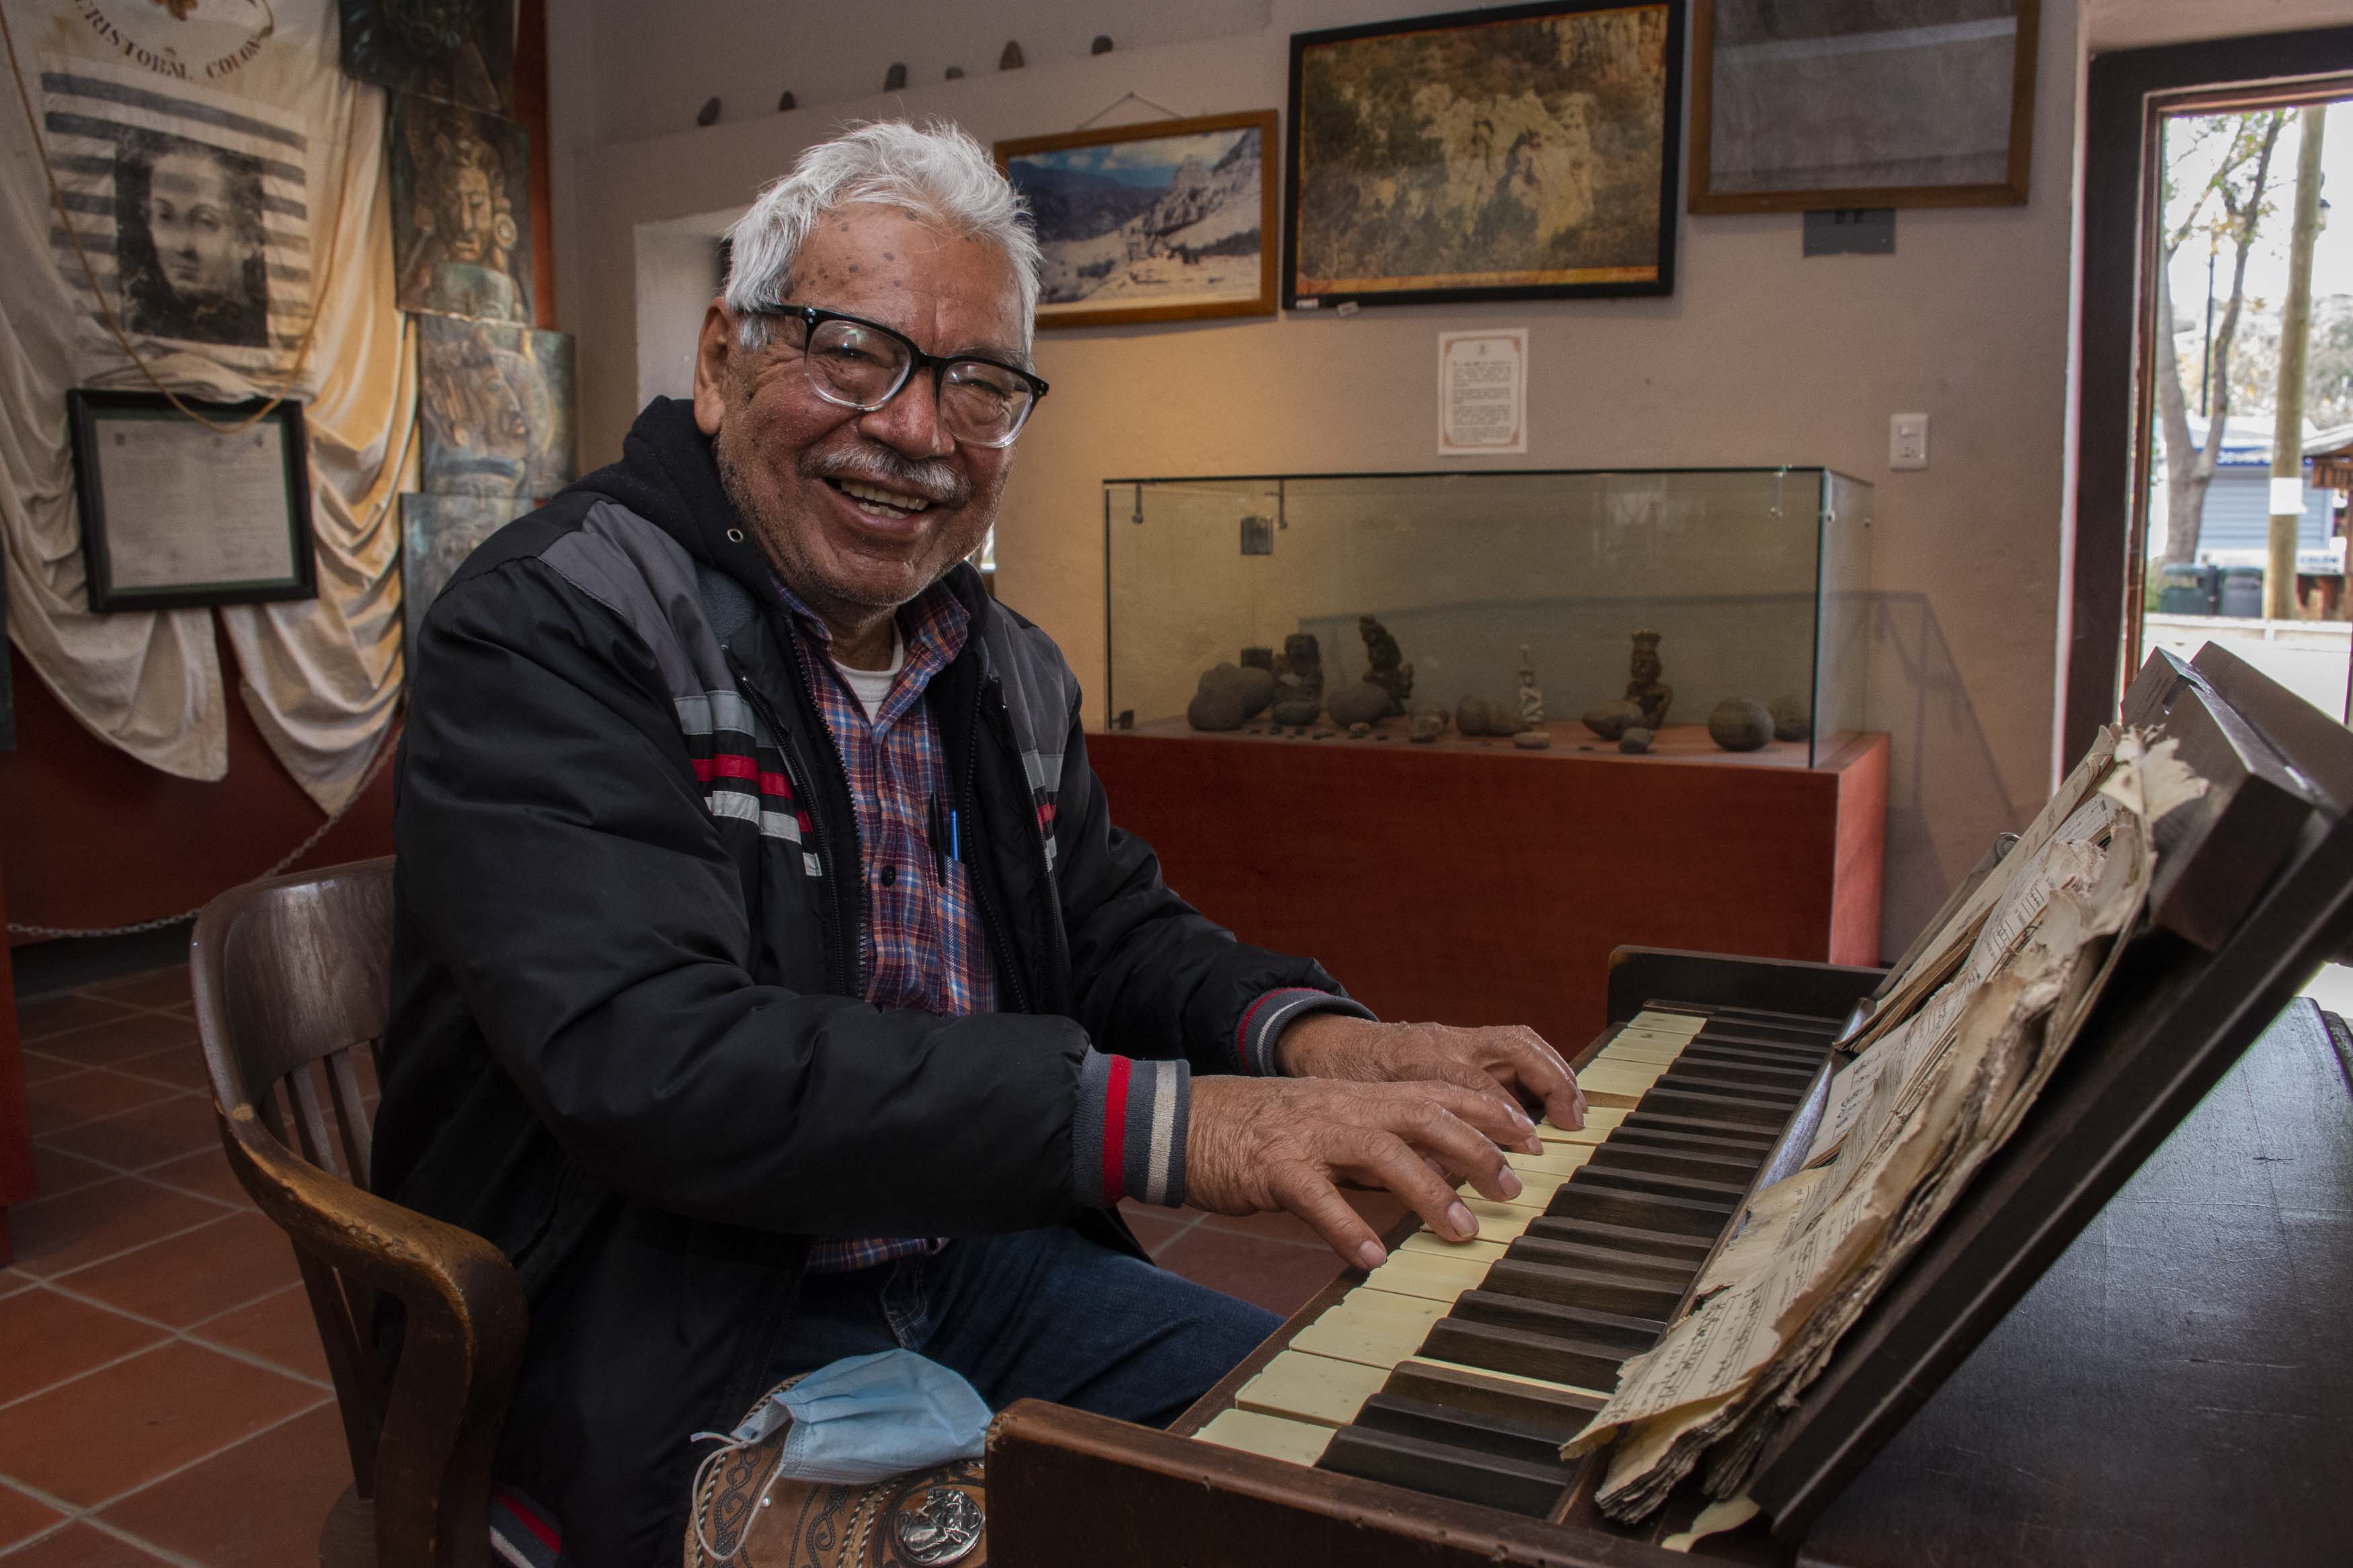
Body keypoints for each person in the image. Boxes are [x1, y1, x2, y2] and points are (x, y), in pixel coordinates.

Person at [375, 119, 1583, 1568]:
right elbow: (659, 1056)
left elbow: (1111, 926)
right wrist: (1175, 1126)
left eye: (981, 386)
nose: (914, 431)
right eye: (850, 352)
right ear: (717, 360)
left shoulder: (993, 659)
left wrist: (1315, 1040)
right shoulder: (553, 625)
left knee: (1372, 1488)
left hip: (968, 1264)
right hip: (657, 1331)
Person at [122, 136, 268, 347]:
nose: (181, 246)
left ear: (248, 238)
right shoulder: (137, 318)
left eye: (205, 222)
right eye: (165, 216)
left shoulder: (256, 332)